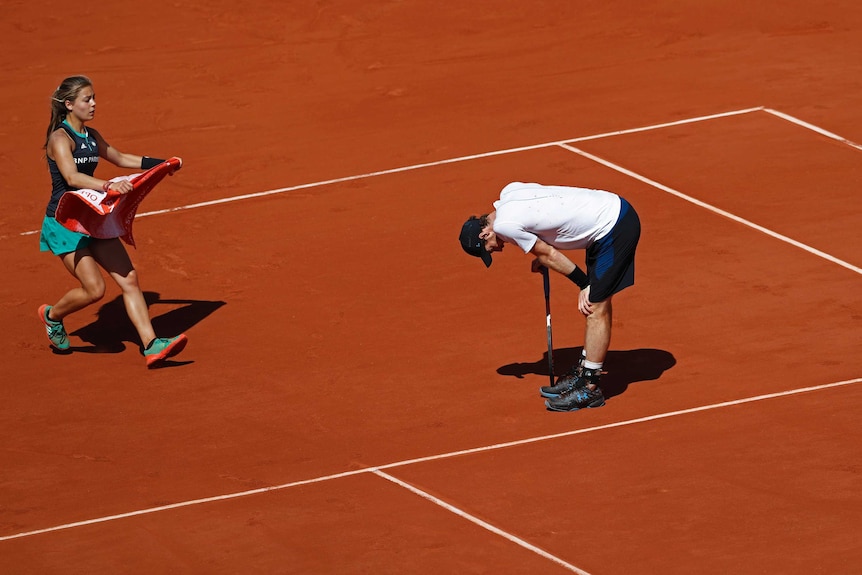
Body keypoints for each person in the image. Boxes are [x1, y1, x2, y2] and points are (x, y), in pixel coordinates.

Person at [38, 75, 187, 368]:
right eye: (86, 99)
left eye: (94, 98)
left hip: (93, 217)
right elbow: (72, 177)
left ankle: (152, 345)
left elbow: (119, 157)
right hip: (65, 222)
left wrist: (161, 164)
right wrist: (107, 185)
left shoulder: (91, 136)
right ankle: (52, 315)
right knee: (94, 290)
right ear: (69, 104)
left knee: (129, 279)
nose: (93, 104)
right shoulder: (59, 139)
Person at [459, 181, 641, 411]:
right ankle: (585, 371)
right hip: (606, 214)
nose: (497, 250)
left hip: (613, 227)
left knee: (595, 305)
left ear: (485, 233)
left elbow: (548, 252)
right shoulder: (508, 192)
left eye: (489, 248)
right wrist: (541, 256)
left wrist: (584, 284)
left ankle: (590, 388)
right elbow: (547, 215)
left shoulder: (504, 227)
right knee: (596, 302)